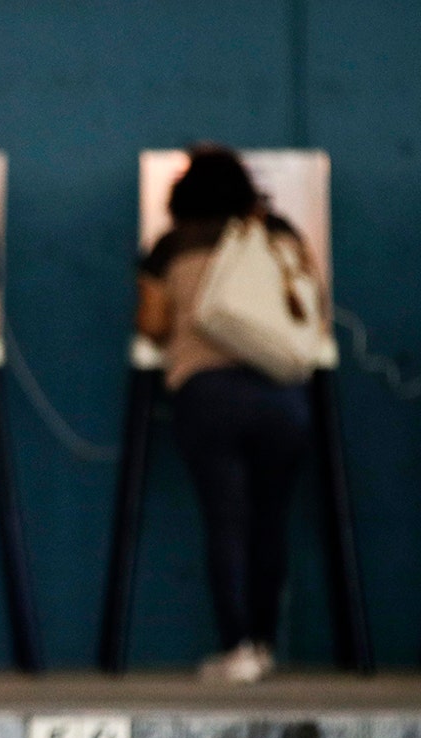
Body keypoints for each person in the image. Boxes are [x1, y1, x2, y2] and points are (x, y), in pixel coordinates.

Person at [135, 145, 316, 684]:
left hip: (207, 393)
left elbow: (153, 323)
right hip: (282, 393)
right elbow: (310, 305)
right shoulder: (279, 233)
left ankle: (237, 648)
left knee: (226, 521)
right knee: (272, 521)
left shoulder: (170, 246)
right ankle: (265, 642)